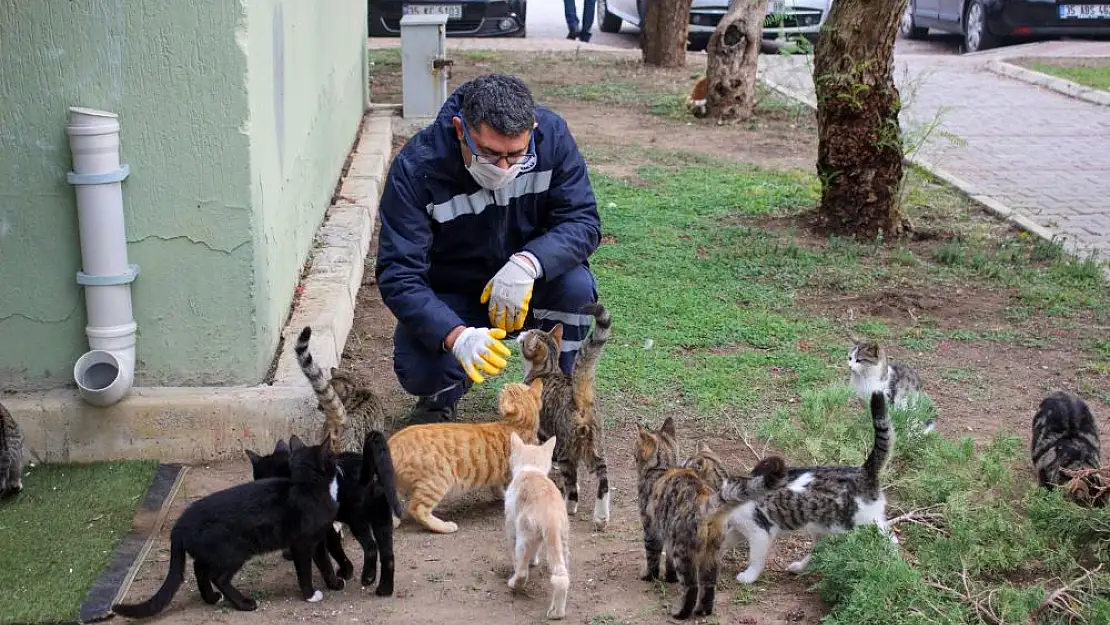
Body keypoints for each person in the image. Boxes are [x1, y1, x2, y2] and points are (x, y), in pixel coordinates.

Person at [375, 73, 603, 426]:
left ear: (533, 128)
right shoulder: (416, 169)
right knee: (420, 366)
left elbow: (583, 221)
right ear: (459, 129)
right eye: (490, 154)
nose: (503, 168)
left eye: (516, 155)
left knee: (575, 288)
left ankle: (555, 390)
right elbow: (398, 274)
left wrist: (530, 262)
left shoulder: (552, 138)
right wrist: (456, 336)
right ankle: (442, 395)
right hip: (458, 297)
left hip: (530, 286)